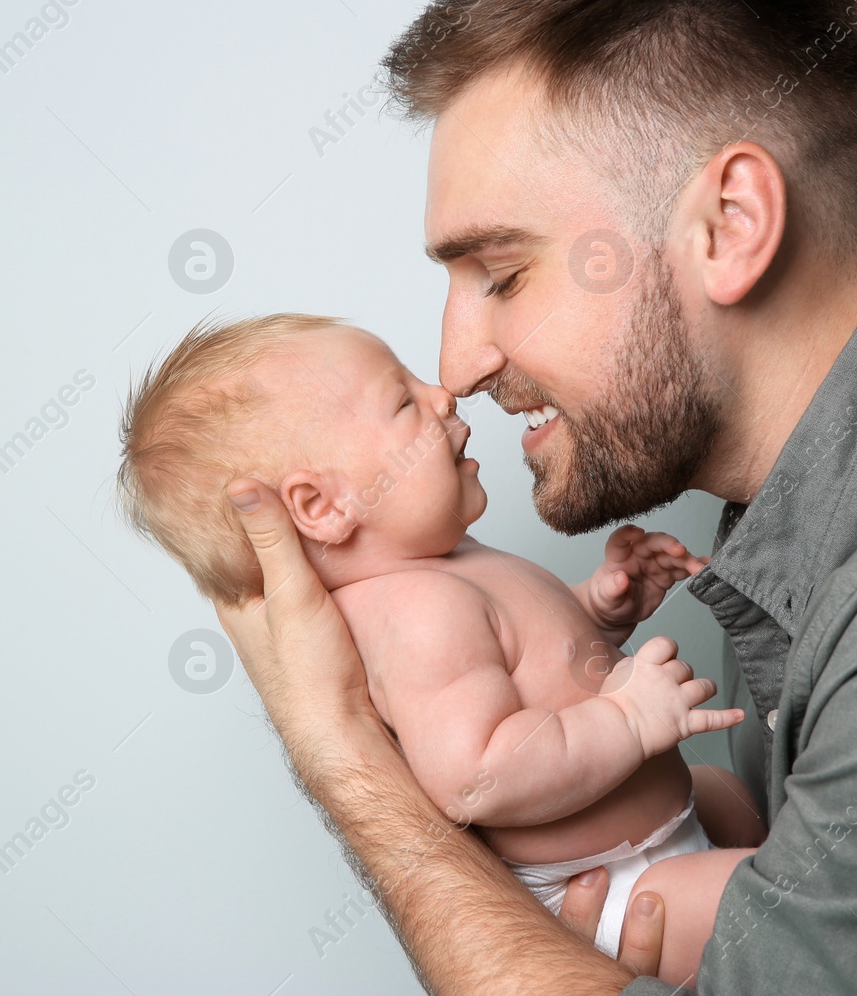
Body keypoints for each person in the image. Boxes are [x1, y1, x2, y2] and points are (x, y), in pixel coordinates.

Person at [215, 0, 857, 991]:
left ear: (728, 227)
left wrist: (346, 759)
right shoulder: (815, 501)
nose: (452, 366)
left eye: (501, 275)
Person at [119, 314, 766, 985]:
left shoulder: (448, 560)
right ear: (322, 506)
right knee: (771, 902)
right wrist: (627, 721)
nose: (442, 394)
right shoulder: (414, 613)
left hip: (657, 830)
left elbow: (529, 663)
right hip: (618, 888)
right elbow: (478, 773)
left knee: (748, 805)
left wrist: (601, 606)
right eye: (404, 400)